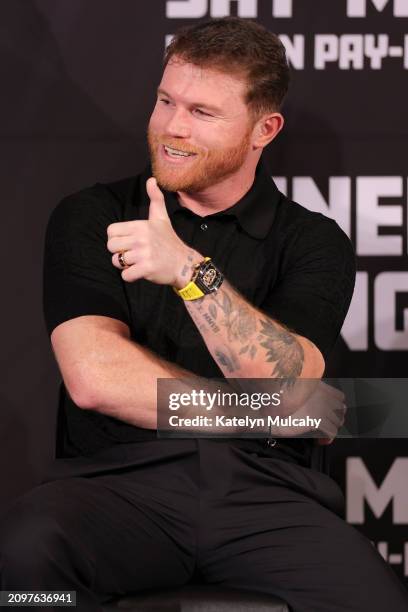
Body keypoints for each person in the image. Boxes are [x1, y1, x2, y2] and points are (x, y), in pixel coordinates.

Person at [1, 16, 407, 612]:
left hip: (266, 495)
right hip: (115, 486)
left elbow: (290, 383)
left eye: (202, 113)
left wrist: (192, 273)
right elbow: (95, 380)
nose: (171, 128)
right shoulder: (91, 215)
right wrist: (267, 411)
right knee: (25, 566)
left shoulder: (314, 242)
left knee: (376, 600)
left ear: (263, 129)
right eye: (166, 101)